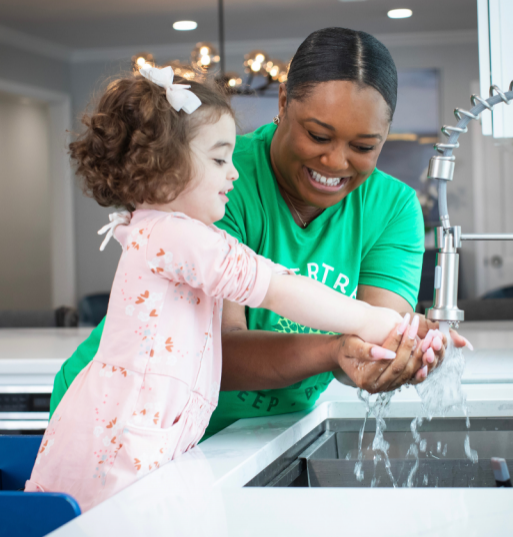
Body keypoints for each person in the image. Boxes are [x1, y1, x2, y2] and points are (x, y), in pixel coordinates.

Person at [26, 63, 417, 512]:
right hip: (120, 435)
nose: (234, 173)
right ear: (164, 166)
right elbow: (275, 287)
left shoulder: (166, 230)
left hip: (143, 428)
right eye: (218, 160)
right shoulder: (180, 236)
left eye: (232, 158)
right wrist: (375, 321)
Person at [51, 27, 467, 442]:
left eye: (363, 146)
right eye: (318, 136)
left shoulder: (391, 208)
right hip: (119, 420)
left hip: (220, 432)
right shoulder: (206, 185)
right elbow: (229, 340)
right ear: (283, 102)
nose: (336, 160)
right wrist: (362, 335)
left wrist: (400, 346)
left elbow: (368, 349)